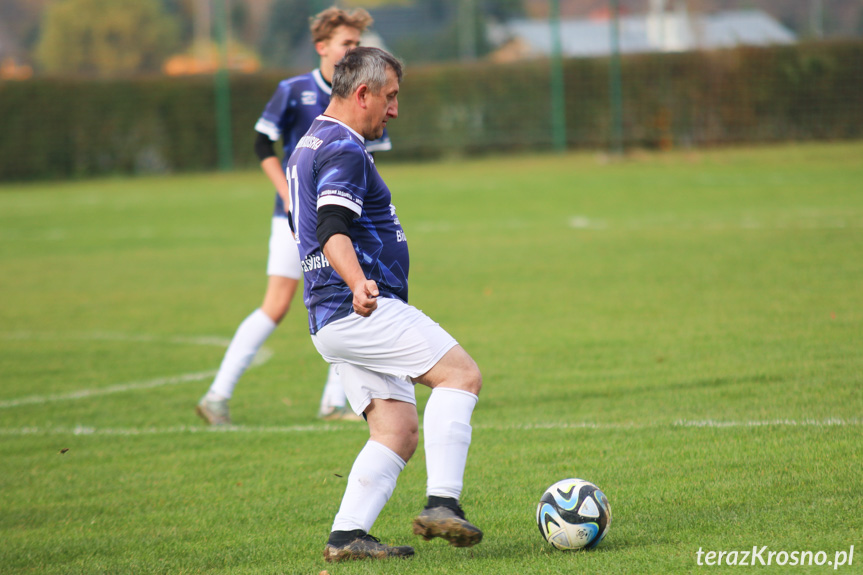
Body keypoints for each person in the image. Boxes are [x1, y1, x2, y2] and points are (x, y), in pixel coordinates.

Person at [287, 46, 484, 562]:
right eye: (390, 97)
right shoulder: (344, 148)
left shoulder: (309, 141)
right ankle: (443, 502)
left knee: (396, 430)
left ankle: (347, 535)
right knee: (460, 376)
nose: (394, 109)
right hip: (358, 306)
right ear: (362, 93)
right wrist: (356, 282)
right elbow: (331, 228)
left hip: (329, 315)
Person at [196, 7, 390, 425]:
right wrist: (287, 195)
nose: (353, 49)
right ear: (322, 47)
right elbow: (263, 145)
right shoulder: (295, 89)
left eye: (358, 43)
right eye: (346, 43)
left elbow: (364, 162)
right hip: (294, 219)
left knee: (351, 299)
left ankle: (335, 402)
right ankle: (217, 395)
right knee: (278, 304)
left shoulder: (368, 93)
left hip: (341, 220)